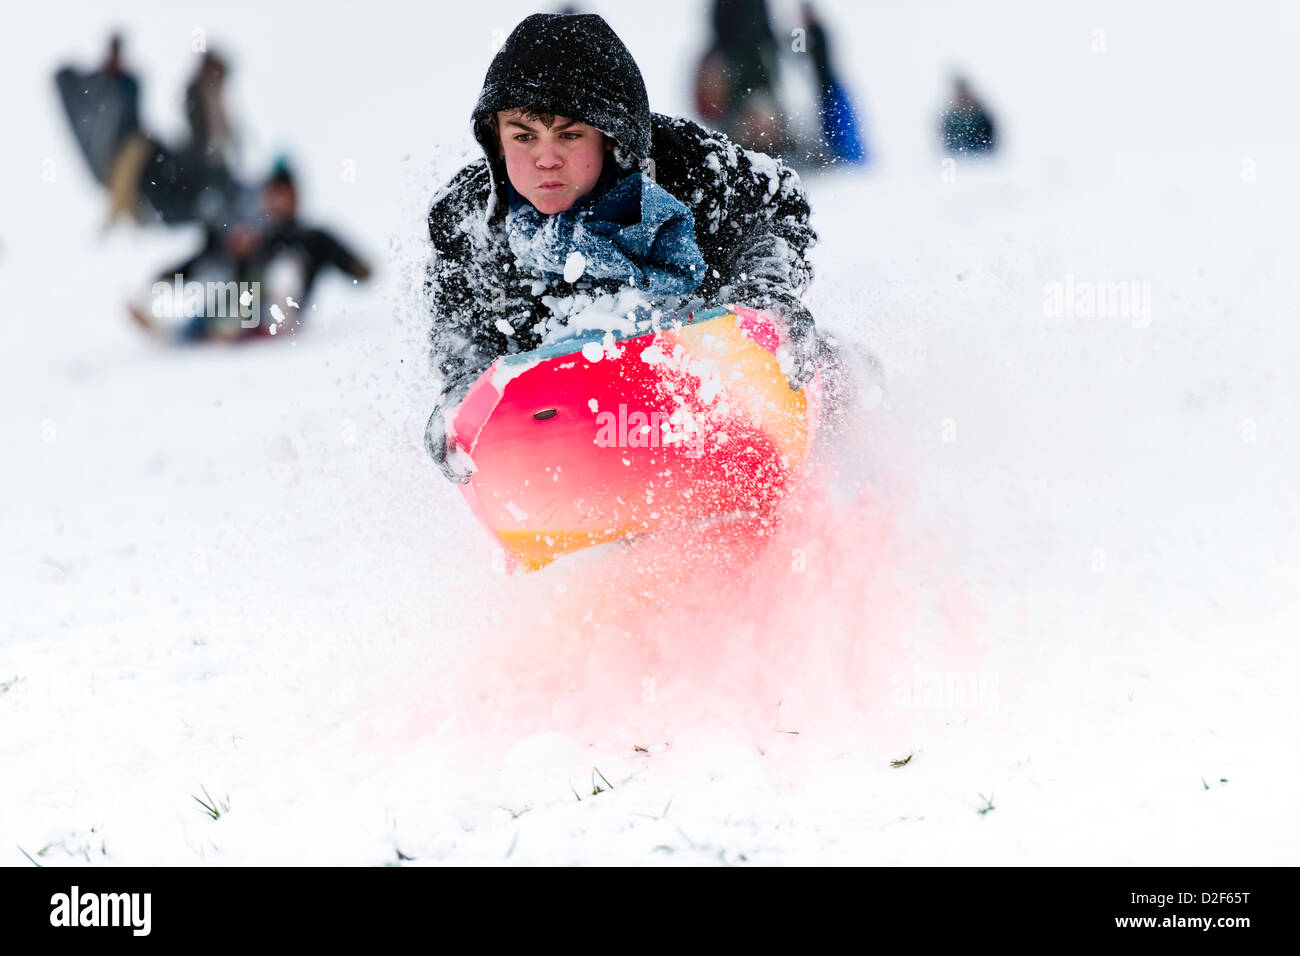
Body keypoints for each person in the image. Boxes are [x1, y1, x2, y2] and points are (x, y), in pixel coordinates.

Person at [423, 12, 821, 482]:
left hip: (705, 377)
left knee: (834, 370)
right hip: (568, 416)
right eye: (523, 136)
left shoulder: (690, 168)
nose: (546, 159)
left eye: (569, 136)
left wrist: (765, 297)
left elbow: (776, 208)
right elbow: (458, 320)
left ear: (612, 139)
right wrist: (462, 391)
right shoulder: (470, 219)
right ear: (496, 138)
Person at [131, 162, 370, 343]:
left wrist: (358, 268)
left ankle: (270, 316)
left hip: (282, 311)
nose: (279, 201)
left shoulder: (313, 237)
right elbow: (204, 260)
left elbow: (354, 266)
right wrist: (168, 275)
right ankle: (180, 331)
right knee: (225, 285)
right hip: (246, 307)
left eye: (284, 194)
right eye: (274, 194)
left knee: (285, 271)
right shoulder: (255, 236)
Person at [940, 75, 998, 155]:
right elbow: (947, 140)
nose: (962, 96)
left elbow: (990, 137)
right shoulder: (951, 117)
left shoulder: (981, 113)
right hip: (958, 156)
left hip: (981, 155)